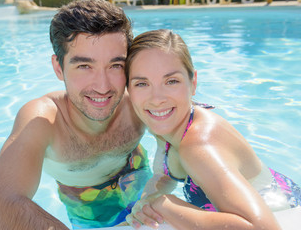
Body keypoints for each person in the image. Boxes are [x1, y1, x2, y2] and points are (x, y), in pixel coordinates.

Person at [0, 0, 152, 229]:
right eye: (84, 66)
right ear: (58, 68)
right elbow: (0, 206)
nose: (103, 86)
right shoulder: (43, 119)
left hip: (137, 171)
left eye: (115, 66)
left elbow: (194, 125)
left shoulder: (140, 101)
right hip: (86, 202)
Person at [125, 29, 301, 230]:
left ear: (193, 83)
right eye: (142, 83)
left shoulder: (198, 145)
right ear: (129, 90)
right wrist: (146, 202)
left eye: (171, 81)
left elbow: (263, 228)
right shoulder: (169, 123)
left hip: (286, 214)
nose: (157, 98)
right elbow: (164, 175)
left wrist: (165, 205)